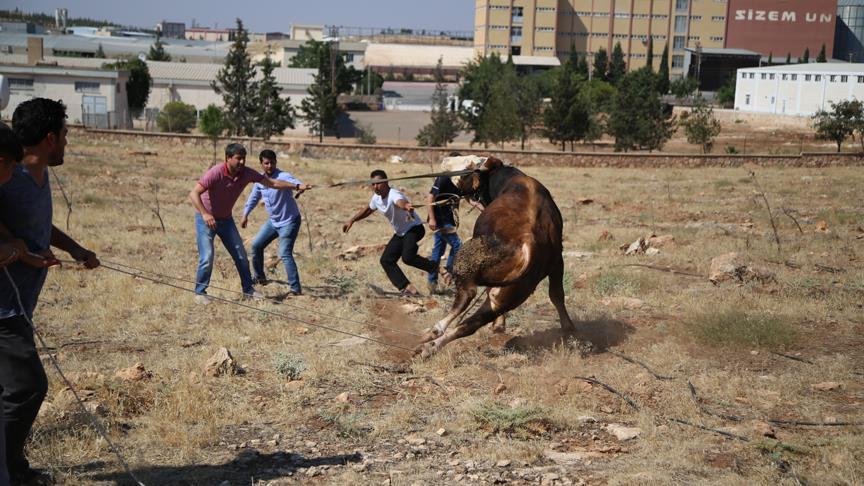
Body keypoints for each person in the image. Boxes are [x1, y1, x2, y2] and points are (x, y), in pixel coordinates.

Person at [1, 99, 100, 485]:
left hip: (20, 308)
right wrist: (20, 252)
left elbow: (39, 226)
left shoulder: (38, 176)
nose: (66, 143)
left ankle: (13, 467)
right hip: (4, 310)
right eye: (64, 136)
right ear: (48, 139)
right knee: (28, 388)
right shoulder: (8, 176)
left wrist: (73, 248)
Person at [189, 143, 312, 304]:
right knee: (207, 256)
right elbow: (194, 193)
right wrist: (205, 214)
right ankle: (200, 292)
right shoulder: (216, 172)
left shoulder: (247, 173)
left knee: (241, 255)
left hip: (226, 220)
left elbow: (273, 183)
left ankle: (248, 290)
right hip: (206, 219)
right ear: (228, 158)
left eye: (244, 159)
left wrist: (296, 186)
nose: (242, 162)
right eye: (238, 158)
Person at [342, 169, 438, 296]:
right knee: (386, 260)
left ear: (386, 182)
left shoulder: (394, 194)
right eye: (373, 184)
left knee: (408, 258)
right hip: (400, 233)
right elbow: (367, 210)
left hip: (414, 229)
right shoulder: (376, 198)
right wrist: (352, 220)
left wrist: (406, 206)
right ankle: (408, 288)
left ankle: (436, 268)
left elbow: (400, 202)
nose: (375, 186)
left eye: (378, 183)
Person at [240, 150, 306, 296]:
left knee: (284, 253)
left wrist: (300, 187)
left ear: (276, 162)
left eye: (272, 162)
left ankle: (295, 288)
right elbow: (253, 198)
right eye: (266, 163)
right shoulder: (260, 180)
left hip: (289, 221)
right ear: (261, 164)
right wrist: (245, 214)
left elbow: (295, 183)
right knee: (256, 246)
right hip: (273, 222)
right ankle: (259, 277)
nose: (270, 166)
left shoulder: (283, 176)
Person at [425, 173, 463, 294]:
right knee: (458, 245)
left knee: (438, 250)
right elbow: (430, 197)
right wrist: (432, 218)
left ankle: (432, 282)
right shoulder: (444, 178)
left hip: (448, 219)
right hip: (440, 220)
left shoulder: (459, 180)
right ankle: (449, 272)